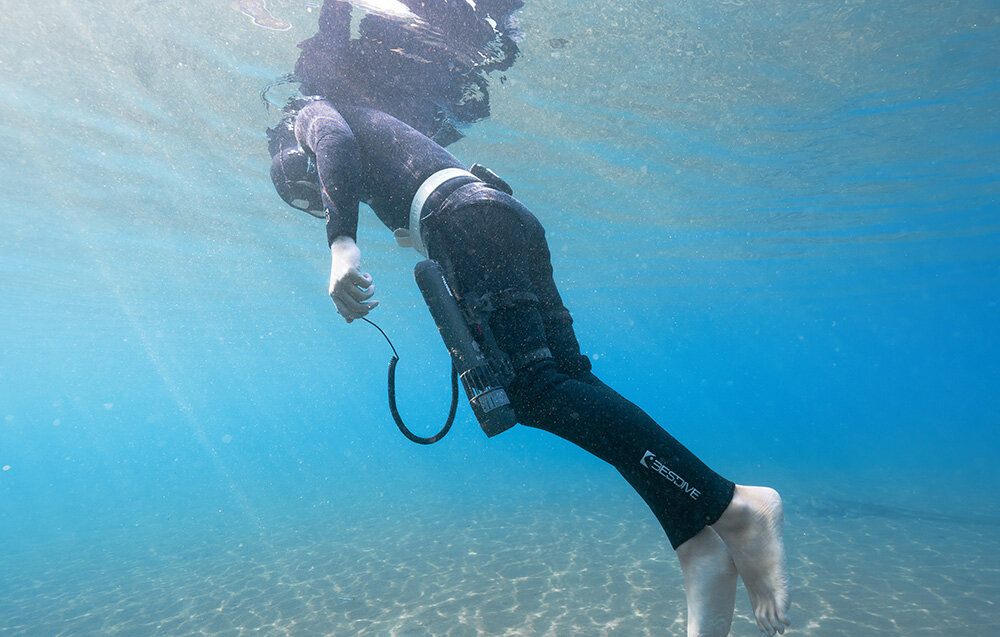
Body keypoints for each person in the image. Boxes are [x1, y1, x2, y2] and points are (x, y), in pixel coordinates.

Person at [266, 2, 791, 635]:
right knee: (569, 381)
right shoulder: (382, 127)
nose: (317, 194)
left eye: (308, 188)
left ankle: (730, 503)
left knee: (532, 392)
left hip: (468, 224)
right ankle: (696, 540)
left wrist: (341, 240)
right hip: (497, 218)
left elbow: (337, 144)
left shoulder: (309, 111)